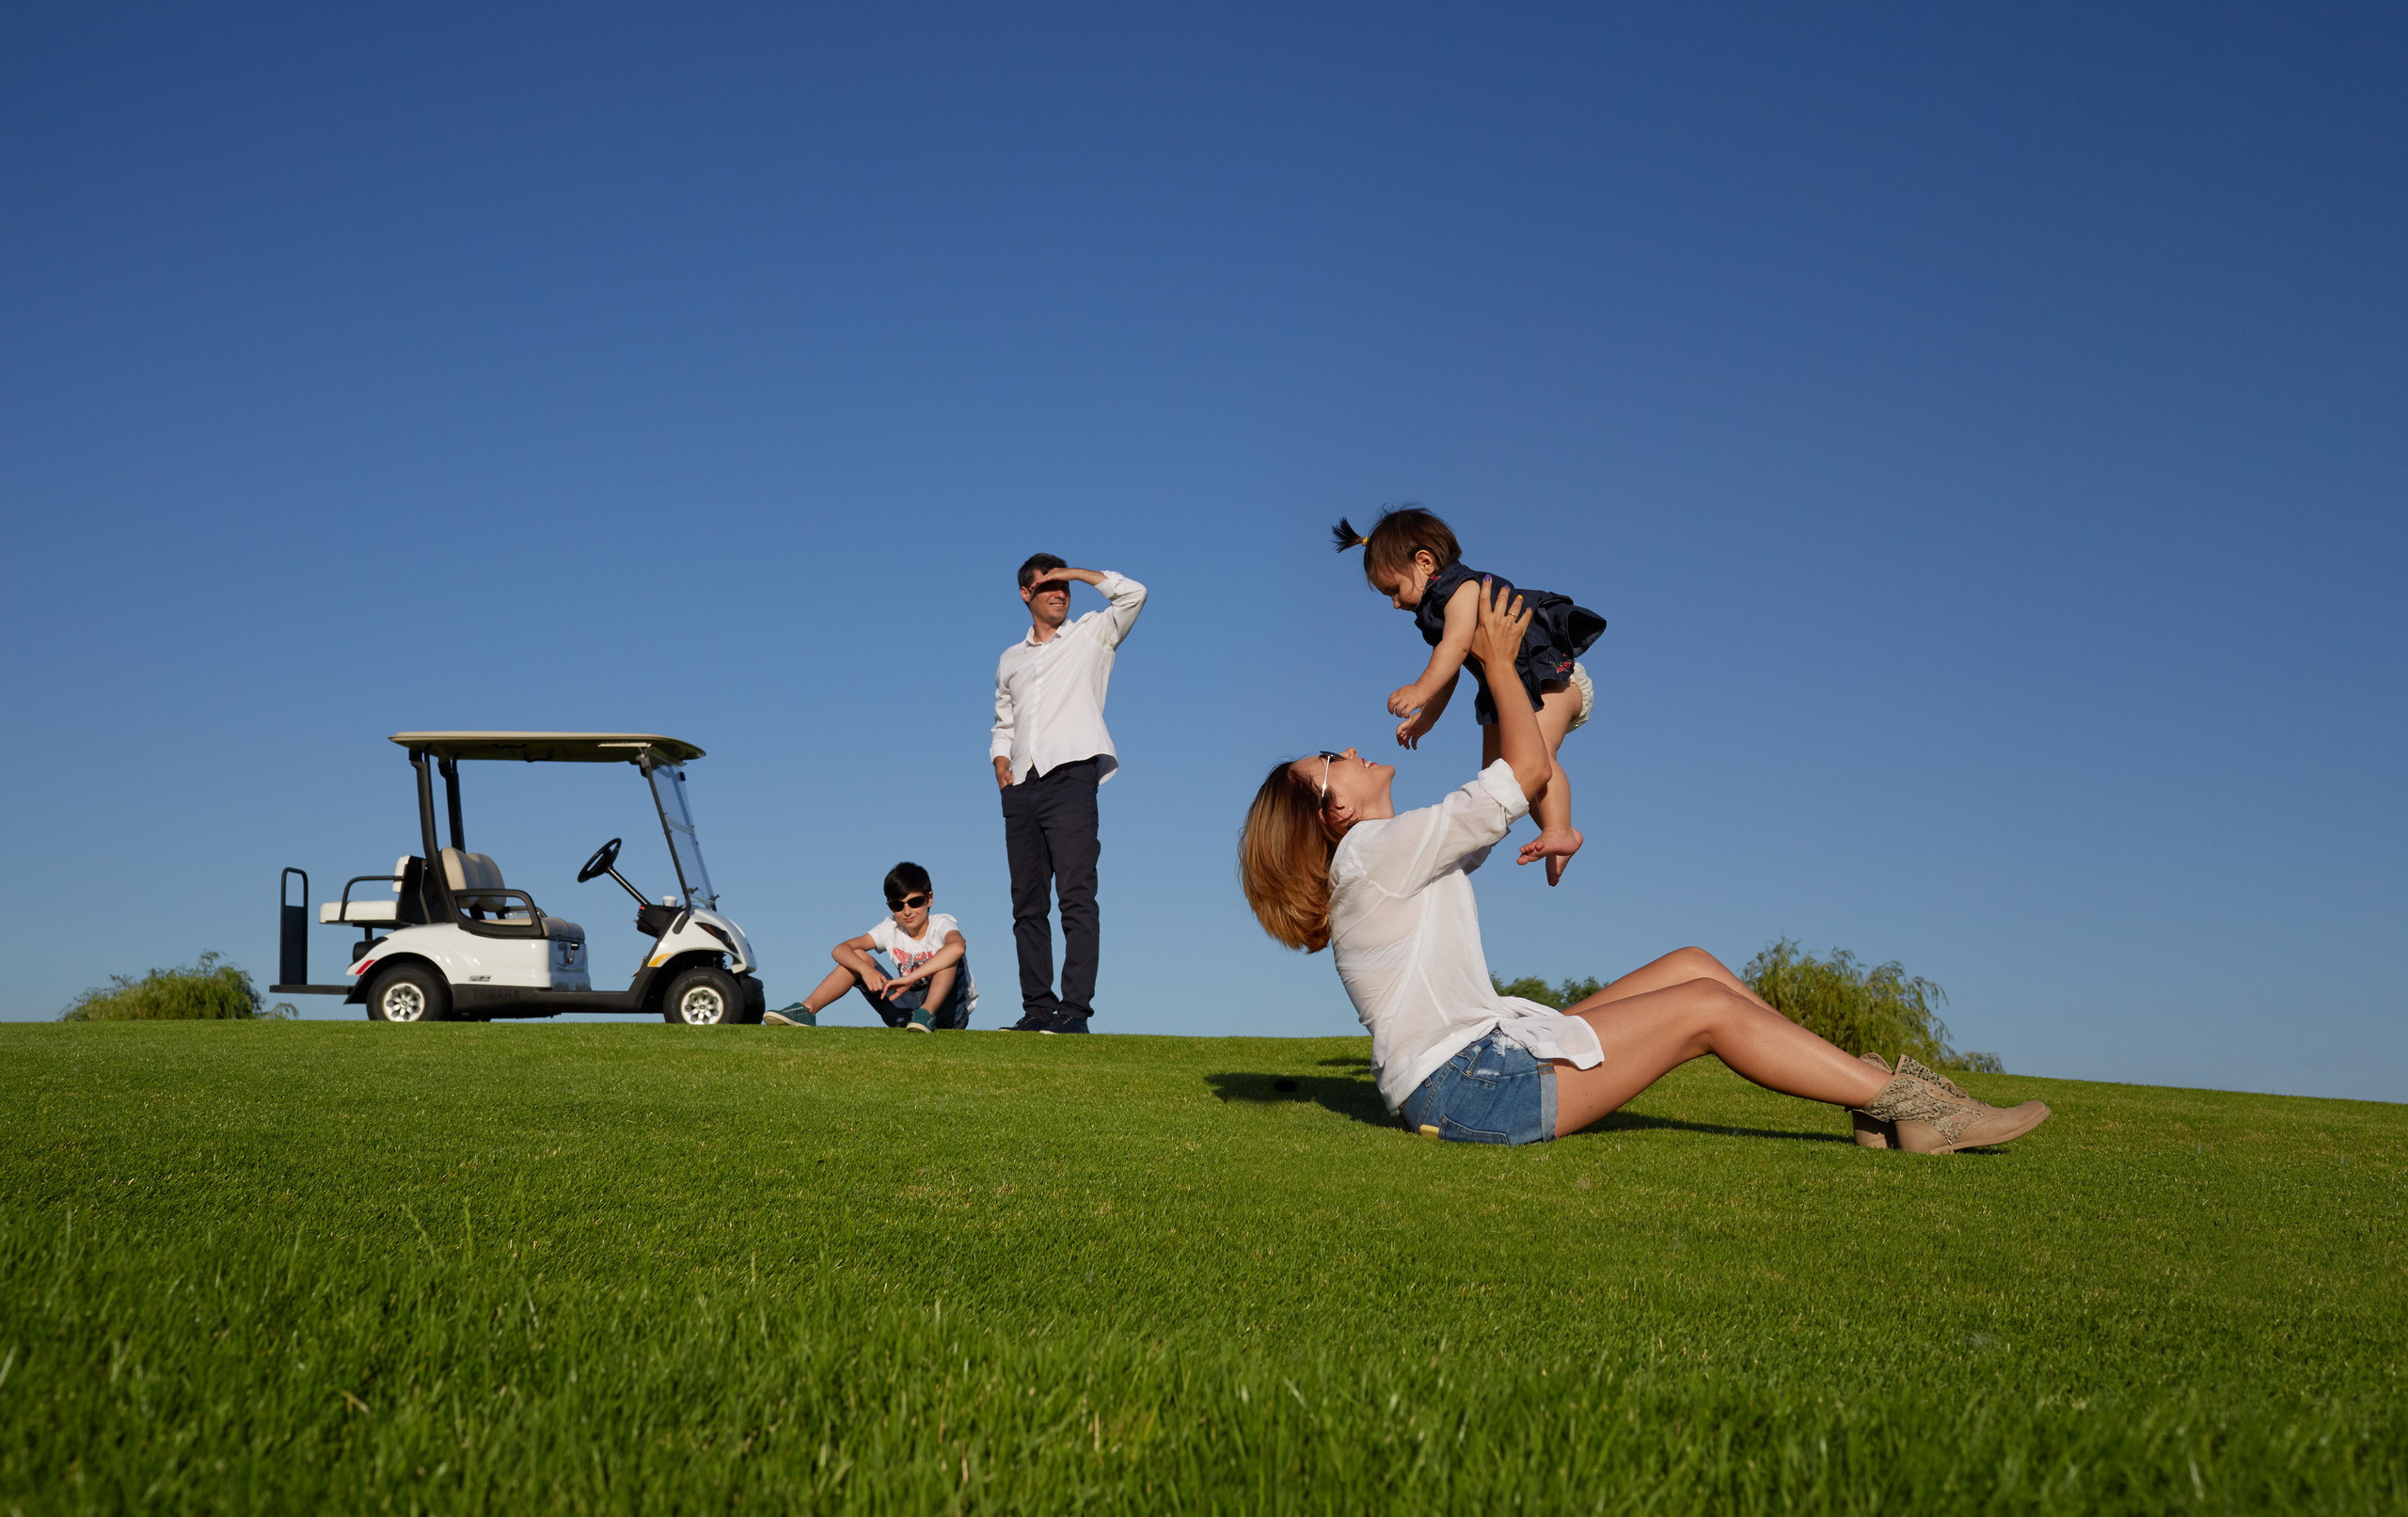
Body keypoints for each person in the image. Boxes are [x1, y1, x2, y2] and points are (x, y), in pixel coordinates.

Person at [1238, 577, 2052, 1153]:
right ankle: (1915, 1105)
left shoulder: (1387, 856)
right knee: (1706, 1008)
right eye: (1326, 762)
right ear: (1332, 810)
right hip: (1470, 1088)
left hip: (1481, 1061)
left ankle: (1866, 1098)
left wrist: (1524, 691)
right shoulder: (1373, 854)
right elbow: (1514, 783)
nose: (1346, 750)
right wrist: (1493, 662)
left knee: (1693, 965)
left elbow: (1498, 799)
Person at [1332, 506, 1605, 886]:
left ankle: (1560, 828)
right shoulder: (1434, 608)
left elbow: (1457, 646)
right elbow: (1451, 666)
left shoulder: (1461, 588)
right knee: (1506, 776)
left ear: (1424, 562)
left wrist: (1419, 687)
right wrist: (1427, 716)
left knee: (1537, 753)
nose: (1395, 603)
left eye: (1394, 590)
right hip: (1506, 688)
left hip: (1551, 678)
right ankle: (1558, 837)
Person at [989, 554, 1148, 1033]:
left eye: (1065, 587)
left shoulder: (1093, 633)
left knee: (1077, 896)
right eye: (1049, 586)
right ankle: (1036, 1008)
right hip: (1021, 786)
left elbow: (1134, 593)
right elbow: (1004, 719)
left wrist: (1077, 572)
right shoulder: (1010, 658)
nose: (1060, 593)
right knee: (1027, 904)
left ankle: (1074, 1012)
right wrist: (999, 759)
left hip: (1073, 778)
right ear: (1025, 594)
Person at [766, 862, 977, 1031]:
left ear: (929, 899)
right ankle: (806, 1011)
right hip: (906, 1009)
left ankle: (926, 1014)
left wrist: (910, 978)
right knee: (857, 955)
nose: (907, 911)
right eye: (897, 905)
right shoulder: (889, 928)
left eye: (915, 902)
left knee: (948, 956)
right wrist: (866, 970)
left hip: (948, 1012)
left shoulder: (941, 923)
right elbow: (839, 949)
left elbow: (958, 947)